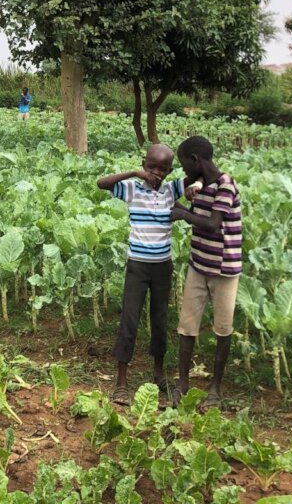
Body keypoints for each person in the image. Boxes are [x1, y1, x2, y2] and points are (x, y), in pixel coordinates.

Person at [98, 143, 199, 405]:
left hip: (162, 265)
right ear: (144, 164)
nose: (157, 172)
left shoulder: (170, 189)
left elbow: (198, 176)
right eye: (151, 166)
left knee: (160, 319)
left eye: (163, 169)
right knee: (129, 319)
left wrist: (194, 187)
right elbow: (102, 183)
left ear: (169, 171)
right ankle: (121, 381)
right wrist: (134, 173)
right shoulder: (131, 189)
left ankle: (157, 373)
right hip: (138, 265)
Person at [169, 135, 242, 410]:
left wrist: (183, 215)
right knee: (187, 326)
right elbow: (200, 219)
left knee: (223, 329)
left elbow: (212, 224)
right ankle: (183, 384)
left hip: (223, 269)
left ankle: (215, 389)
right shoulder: (204, 186)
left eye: (184, 163)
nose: (184, 170)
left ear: (195, 160)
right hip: (198, 265)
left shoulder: (225, 185)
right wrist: (185, 208)